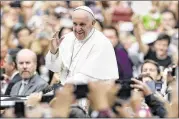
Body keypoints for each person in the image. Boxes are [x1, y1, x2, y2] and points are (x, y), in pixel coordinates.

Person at [45, 6, 119, 85]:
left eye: (82, 24)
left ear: (93, 23)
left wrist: (64, 82)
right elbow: (54, 67)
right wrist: (54, 52)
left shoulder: (102, 43)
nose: (78, 28)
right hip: (70, 90)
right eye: (75, 24)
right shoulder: (69, 39)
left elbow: (88, 76)